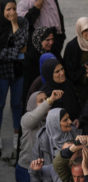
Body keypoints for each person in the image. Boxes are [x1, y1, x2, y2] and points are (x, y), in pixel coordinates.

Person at [15, 90, 62, 182]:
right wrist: (50, 100)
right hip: (25, 170)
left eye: (45, 100)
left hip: (40, 171)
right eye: (40, 101)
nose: (45, 103)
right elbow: (35, 116)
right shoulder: (27, 119)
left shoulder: (47, 123)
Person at [0, 0, 28, 153]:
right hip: (2, 73)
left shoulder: (22, 22)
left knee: (17, 104)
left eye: (14, 8)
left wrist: (14, 24)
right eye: (8, 9)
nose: (12, 12)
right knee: (0, 105)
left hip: (18, 72)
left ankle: (17, 138)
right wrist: (16, 53)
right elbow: (18, 49)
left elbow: (23, 44)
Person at [23, 26, 60, 102]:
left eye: (52, 39)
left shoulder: (54, 52)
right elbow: (27, 85)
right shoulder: (30, 57)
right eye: (47, 40)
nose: (51, 42)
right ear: (39, 40)